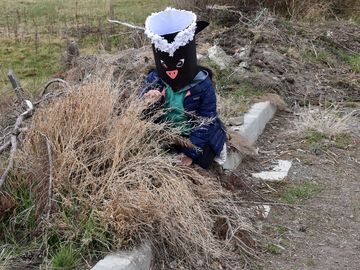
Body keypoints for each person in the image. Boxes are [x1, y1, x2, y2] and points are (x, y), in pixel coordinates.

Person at [141, 7, 226, 169]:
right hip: (167, 134)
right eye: (165, 65)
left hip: (193, 136)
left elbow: (206, 121)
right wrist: (149, 101)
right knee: (154, 157)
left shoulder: (202, 84)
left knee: (203, 160)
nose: (172, 72)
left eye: (179, 65)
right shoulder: (155, 79)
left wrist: (190, 153)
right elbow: (142, 115)